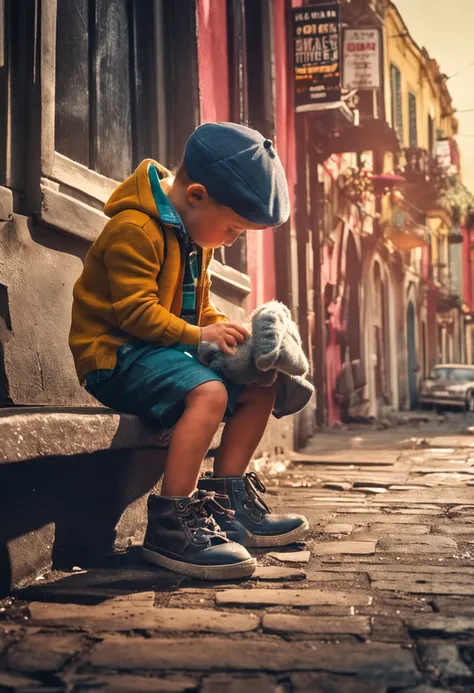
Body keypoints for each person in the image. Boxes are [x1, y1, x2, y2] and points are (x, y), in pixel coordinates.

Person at [69, 122, 309, 581]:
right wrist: (201, 339)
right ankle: (171, 524)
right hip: (116, 356)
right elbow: (135, 314)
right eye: (235, 228)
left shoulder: (196, 237)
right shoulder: (134, 229)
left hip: (166, 354)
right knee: (211, 393)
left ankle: (228, 501)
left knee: (262, 380)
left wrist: (229, 332)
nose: (233, 239)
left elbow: (198, 310)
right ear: (196, 195)